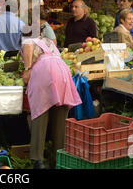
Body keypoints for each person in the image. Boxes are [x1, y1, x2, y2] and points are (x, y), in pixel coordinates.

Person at [20, 34, 82, 169]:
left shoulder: (30, 40)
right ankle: (58, 158)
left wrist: (27, 69)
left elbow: (28, 45)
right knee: (60, 118)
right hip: (63, 72)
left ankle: (39, 160)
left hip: (45, 71)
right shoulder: (49, 42)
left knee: (39, 115)